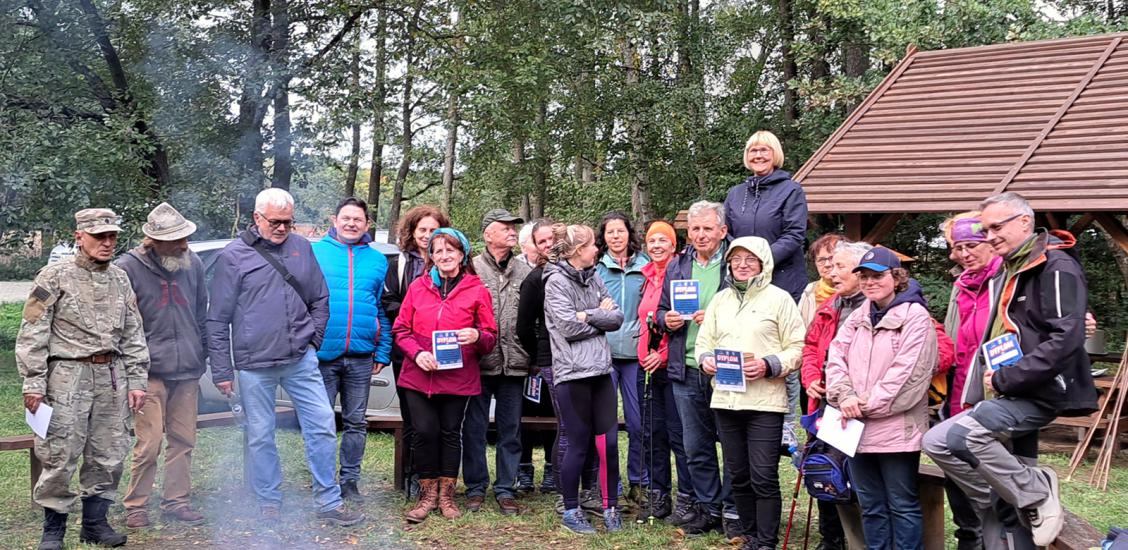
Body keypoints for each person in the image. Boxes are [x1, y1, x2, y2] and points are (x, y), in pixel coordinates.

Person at [923, 192, 1099, 548]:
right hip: (984, 391)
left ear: (1024, 222)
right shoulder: (1004, 272)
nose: (987, 238)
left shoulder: (1049, 265)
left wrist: (1009, 377)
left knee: (968, 444)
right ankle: (1017, 489)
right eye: (983, 230)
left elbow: (1064, 332)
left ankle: (1033, 493)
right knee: (941, 443)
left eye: (992, 229)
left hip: (1027, 390)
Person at [206, 188, 363, 527]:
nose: (282, 228)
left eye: (288, 222)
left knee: (322, 427)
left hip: (299, 360)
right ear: (257, 218)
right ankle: (268, 501)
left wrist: (313, 343)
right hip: (253, 365)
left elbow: (320, 299)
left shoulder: (301, 247)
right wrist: (222, 369)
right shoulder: (233, 256)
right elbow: (217, 318)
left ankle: (328, 501)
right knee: (261, 434)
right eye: (275, 222)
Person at [17, 208, 149, 550]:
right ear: (80, 236)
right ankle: (53, 530)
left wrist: (137, 379)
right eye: (99, 236)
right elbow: (33, 330)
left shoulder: (121, 278)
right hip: (67, 376)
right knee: (60, 451)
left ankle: (95, 524)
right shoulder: (53, 276)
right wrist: (33, 382)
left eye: (112, 237)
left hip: (111, 376)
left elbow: (134, 333)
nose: (107, 243)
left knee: (109, 452)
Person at [825, 247, 938, 550]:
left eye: (878, 276)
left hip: (896, 430)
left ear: (896, 277)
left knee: (902, 504)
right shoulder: (858, 316)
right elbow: (835, 357)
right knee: (871, 504)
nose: (870, 282)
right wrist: (844, 395)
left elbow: (907, 376)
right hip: (855, 428)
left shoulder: (916, 318)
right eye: (864, 276)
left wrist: (860, 405)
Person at [696, 236, 805, 550]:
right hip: (726, 399)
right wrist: (707, 361)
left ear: (763, 263)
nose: (742, 265)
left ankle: (767, 541)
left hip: (764, 401)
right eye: (736, 259)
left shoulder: (780, 299)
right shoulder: (720, 300)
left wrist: (769, 365)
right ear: (728, 262)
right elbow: (704, 343)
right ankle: (750, 536)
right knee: (739, 475)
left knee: (762, 475)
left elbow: (797, 348)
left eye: (750, 259)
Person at [394, 227, 498, 523]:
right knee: (425, 432)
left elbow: (490, 337)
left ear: (462, 254)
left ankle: (447, 495)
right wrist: (417, 353)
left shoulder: (477, 289)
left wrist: (476, 335)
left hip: (458, 376)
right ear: (431, 257)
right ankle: (427, 494)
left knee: (451, 433)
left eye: (450, 250)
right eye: (438, 251)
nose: (444, 255)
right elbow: (401, 330)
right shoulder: (417, 287)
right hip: (418, 375)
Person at [118, 203, 208, 529]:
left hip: (187, 369)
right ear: (153, 241)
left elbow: (201, 314)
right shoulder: (127, 268)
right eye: (175, 240)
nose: (183, 245)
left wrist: (203, 355)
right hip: (148, 372)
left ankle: (177, 501)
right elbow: (121, 327)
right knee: (150, 442)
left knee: (184, 440)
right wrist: (132, 375)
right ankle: (136, 505)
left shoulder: (193, 263)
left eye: (185, 238)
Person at [656, 200, 740, 538]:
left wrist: (718, 317)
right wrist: (667, 319)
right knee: (696, 445)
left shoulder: (737, 263)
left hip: (725, 368)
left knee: (733, 443)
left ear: (722, 231)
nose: (701, 235)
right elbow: (661, 310)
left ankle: (734, 510)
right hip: (685, 366)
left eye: (707, 228)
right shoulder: (677, 266)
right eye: (695, 229)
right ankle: (708, 508)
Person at [722, 130, 809, 453]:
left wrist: (761, 261)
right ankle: (741, 410)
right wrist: (739, 267)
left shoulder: (791, 191)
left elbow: (795, 234)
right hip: (742, 284)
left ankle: (786, 424)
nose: (758, 155)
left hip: (782, 281)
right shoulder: (736, 194)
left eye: (764, 150)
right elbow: (728, 237)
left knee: (781, 350)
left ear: (776, 154)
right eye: (753, 150)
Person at [543, 223, 625, 535]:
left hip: (602, 372)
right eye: (593, 245)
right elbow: (566, 327)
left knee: (609, 443)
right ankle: (572, 509)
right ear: (578, 251)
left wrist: (586, 314)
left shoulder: (595, 278)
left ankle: (610, 507)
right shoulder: (555, 283)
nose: (597, 249)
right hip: (572, 374)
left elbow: (616, 318)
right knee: (577, 443)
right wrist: (596, 315)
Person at [311, 197, 393, 503]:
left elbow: (382, 309)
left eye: (358, 219)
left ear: (367, 224)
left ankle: (350, 481)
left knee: (356, 422)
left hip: (361, 355)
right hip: (322, 354)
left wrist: (382, 351)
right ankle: (323, 481)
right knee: (321, 422)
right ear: (334, 220)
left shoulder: (377, 260)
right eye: (345, 218)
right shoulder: (314, 252)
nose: (351, 224)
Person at [800, 241, 873, 550]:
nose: (832, 272)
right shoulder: (829, 307)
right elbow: (810, 347)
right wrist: (811, 377)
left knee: (861, 481)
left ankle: (863, 541)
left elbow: (937, 351)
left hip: (866, 409)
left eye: (840, 266)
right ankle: (832, 540)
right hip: (828, 405)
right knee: (826, 470)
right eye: (828, 264)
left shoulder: (887, 304)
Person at [464, 208, 531, 515]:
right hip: (478, 362)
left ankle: (506, 488)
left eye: (513, 228)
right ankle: (476, 488)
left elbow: (536, 319)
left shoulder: (526, 271)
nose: (512, 232)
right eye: (505, 228)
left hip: (515, 362)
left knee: (511, 430)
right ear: (488, 233)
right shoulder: (471, 268)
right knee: (474, 429)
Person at [382, 204, 450, 497]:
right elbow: (389, 303)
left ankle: (439, 477)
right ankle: (413, 475)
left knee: (442, 419)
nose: (426, 235)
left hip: (445, 350)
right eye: (421, 230)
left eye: (433, 230)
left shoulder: (450, 261)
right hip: (407, 351)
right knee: (413, 417)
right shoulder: (398, 263)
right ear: (411, 231)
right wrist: (417, 315)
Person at [636, 220, 695, 521]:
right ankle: (660, 496)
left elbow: (681, 322)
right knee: (653, 433)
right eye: (652, 241)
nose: (657, 246)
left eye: (663, 240)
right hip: (646, 365)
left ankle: (688, 496)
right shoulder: (646, 275)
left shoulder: (682, 273)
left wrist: (661, 355)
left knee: (678, 434)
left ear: (674, 245)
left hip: (672, 364)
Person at [594, 211, 649, 504]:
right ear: (603, 237)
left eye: (620, 231)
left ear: (629, 233)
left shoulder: (646, 266)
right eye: (610, 232)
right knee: (606, 426)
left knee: (638, 422)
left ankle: (639, 481)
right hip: (604, 354)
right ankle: (609, 484)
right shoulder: (597, 268)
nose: (616, 236)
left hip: (636, 355)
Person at [514, 218, 559, 495]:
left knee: (557, 415)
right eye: (541, 241)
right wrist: (535, 355)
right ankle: (525, 469)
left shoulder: (575, 270)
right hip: (536, 362)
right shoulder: (533, 278)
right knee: (529, 414)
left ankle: (553, 470)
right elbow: (523, 326)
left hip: (568, 361)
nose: (548, 245)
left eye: (551, 239)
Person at [799, 233, 845, 327]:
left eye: (831, 258)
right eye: (821, 260)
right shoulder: (809, 290)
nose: (827, 264)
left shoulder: (853, 291)